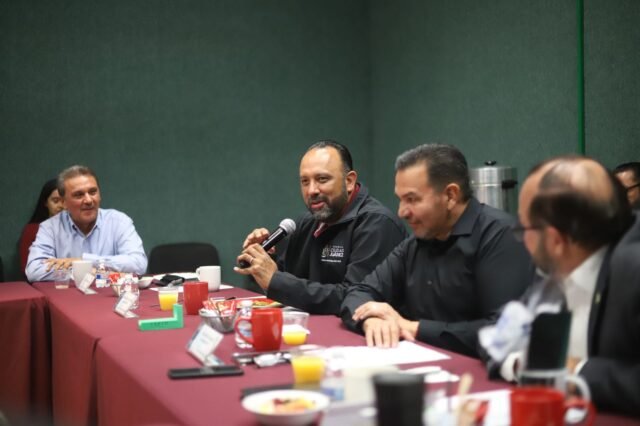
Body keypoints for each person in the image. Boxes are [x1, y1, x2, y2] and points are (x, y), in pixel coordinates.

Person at [480, 156, 640, 417]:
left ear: (555, 240)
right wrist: (524, 364)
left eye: (524, 228)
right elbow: (497, 333)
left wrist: (576, 371)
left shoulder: (633, 268)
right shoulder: (555, 265)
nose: (522, 239)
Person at [340, 144, 534, 357]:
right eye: (400, 199)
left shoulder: (501, 236)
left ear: (450, 196)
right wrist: (371, 319)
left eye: (412, 199)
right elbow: (358, 292)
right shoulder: (416, 243)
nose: (401, 212)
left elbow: (505, 331)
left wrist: (413, 328)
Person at [234, 140, 407, 315]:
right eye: (305, 181)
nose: (312, 190)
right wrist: (261, 260)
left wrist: (276, 280)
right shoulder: (306, 222)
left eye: (322, 179)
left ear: (349, 181)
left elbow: (355, 299)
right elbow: (285, 282)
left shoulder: (377, 223)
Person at [25, 165, 147, 281]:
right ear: (64, 203)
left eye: (93, 192)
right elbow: (34, 270)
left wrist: (86, 261)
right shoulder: (50, 228)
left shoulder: (119, 221)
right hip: (69, 295)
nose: (88, 200)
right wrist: (88, 271)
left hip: (111, 294)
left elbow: (139, 263)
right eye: (79, 195)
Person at [19, 178, 65, 273]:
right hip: (44, 279)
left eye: (64, 201)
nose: (61, 206)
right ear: (46, 202)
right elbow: (27, 268)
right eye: (55, 201)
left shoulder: (78, 228)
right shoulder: (32, 230)